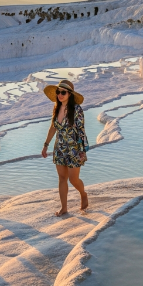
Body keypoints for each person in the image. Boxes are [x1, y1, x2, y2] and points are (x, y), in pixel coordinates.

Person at [42, 79, 89, 216]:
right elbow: (53, 127)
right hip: (60, 148)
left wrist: (82, 151)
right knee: (62, 178)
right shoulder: (56, 108)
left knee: (73, 179)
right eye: (58, 92)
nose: (60, 95)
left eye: (63, 92)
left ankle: (83, 194)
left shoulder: (77, 109)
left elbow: (81, 130)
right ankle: (64, 208)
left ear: (69, 94)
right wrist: (46, 145)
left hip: (74, 148)